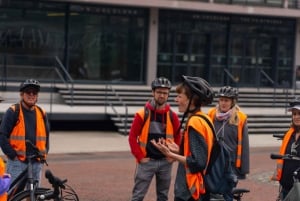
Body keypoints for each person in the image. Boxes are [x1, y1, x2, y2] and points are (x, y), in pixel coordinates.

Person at [151, 75, 215, 201]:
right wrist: (177, 149)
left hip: (190, 191)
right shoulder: (204, 118)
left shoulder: (195, 123)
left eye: (180, 96)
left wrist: (170, 154)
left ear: (192, 100)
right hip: (195, 189)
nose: (176, 100)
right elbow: (198, 152)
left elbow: (198, 162)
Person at [128, 77, 181, 201]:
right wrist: (140, 157)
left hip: (165, 162)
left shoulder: (172, 116)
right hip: (147, 162)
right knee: (138, 196)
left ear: (168, 95)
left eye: (165, 93)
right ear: (153, 92)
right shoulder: (142, 114)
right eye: (159, 92)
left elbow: (179, 136)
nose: (162, 95)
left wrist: (172, 156)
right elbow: (132, 137)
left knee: (163, 196)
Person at [0, 79, 50, 185]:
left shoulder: (42, 113)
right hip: (17, 162)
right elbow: (2, 135)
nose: (31, 95)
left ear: (37, 96)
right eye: (28, 92)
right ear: (22, 94)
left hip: (36, 161)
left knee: (33, 195)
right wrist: (12, 156)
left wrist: (43, 155)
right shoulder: (13, 111)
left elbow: (46, 136)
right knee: (13, 194)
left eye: (34, 93)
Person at [207, 86, 249, 201]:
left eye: (226, 100)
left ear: (232, 102)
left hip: (231, 164)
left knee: (228, 194)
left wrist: (243, 169)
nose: (223, 103)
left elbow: (244, 145)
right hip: (213, 162)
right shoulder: (211, 114)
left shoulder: (240, 117)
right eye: (221, 100)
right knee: (211, 193)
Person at [271, 97, 300, 200]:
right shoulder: (290, 134)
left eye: (299, 114)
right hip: (285, 187)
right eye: (294, 114)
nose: (296, 117)